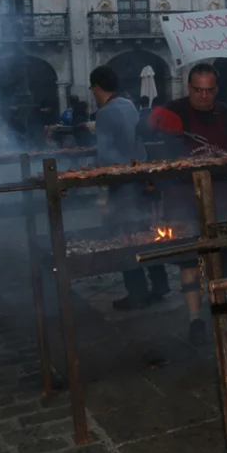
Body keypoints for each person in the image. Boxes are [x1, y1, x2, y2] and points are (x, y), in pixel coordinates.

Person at [149, 64, 227, 345]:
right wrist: (156, 118)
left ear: (216, 89)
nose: (204, 96)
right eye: (198, 90)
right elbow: (142, 128)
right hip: (180, 194)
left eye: (209, 90)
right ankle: (195, 319)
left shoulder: (226, 113)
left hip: (219, 192)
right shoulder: (175, 108)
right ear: (189, 87)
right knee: (188, 257)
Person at [91, 66, 170, 310]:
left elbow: (105, 153)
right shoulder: (128, 105)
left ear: (97, 88)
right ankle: (160, 284)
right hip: (140, 175)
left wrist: (98, 176)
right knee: (145, 230)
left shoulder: (104, 113)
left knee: (125, 235)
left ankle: (137, 292)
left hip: (122, 180)